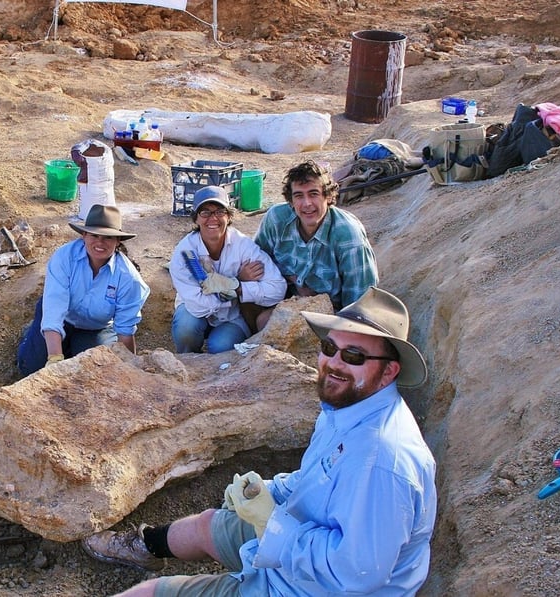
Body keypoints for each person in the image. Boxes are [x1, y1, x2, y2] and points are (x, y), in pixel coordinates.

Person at [83, 286, 436, 596]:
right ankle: (141, 546)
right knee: (209, 523)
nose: (333, 363)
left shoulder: (381, 460)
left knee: (149, 595)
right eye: (329, 347)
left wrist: (271, 524)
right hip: (297, 544)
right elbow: (316, 480)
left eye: (354, 356)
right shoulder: (349, 408)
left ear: (389, 370)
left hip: (310, 588)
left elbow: (356, 572)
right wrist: (269, 490)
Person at [16, 204, 150, 377]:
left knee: (96, 374)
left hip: (96, 328)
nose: (100, 242)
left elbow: (125, 329)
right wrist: (55, 359)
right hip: (62, 317)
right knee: (31, 369)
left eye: (108, 238)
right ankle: (34, 335)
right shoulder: (64, 257)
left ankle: (71, 345)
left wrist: (130, 368)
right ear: (84, 235)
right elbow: (54, 309)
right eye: (94, 235)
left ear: (118, 242)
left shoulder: (128, 278)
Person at [253, 160, 378, 326]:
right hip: (287, 300)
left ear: (327, 196)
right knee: (253, 308)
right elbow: (258, 259)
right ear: (290, 201)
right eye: (299, 196)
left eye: (313, 194)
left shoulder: (348, 235)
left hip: (332, 314)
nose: (307, 204)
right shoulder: (276, 218)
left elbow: (360, 302)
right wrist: (292, 279)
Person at [169, 186, 287, 354]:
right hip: (195, 313)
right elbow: (197, 306)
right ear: (196, 219)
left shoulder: (243, 245)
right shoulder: (185, 253)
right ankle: (187, 361)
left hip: (232, 316)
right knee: (186, 328)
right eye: (205, 213)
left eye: (219, 212)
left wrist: (236, 287)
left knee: (221, 347)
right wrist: (238, 281)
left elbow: (277, 289)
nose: (213, 218)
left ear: (229, 216)